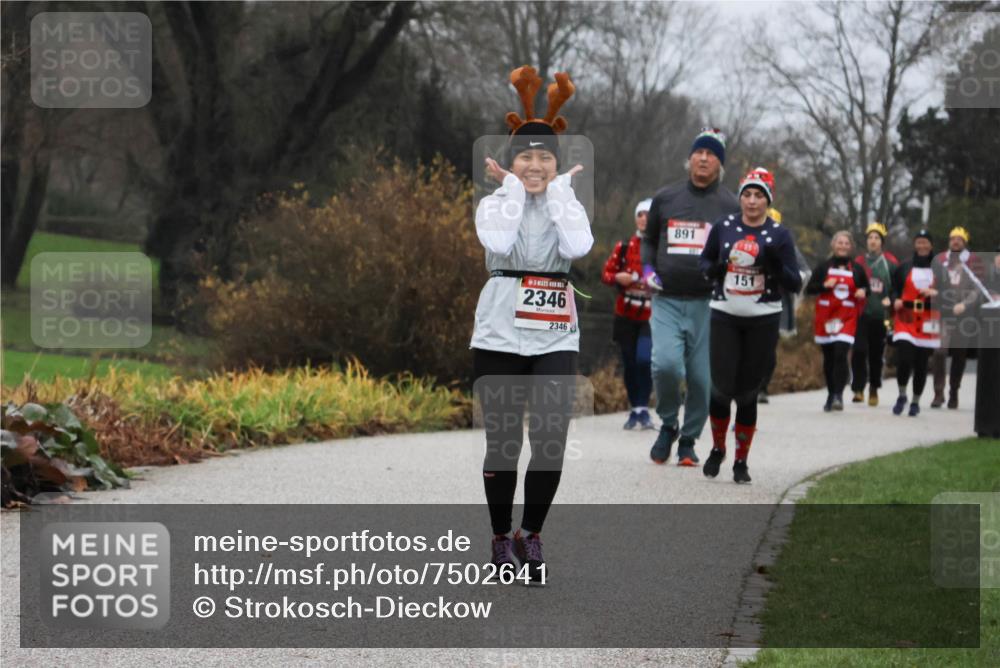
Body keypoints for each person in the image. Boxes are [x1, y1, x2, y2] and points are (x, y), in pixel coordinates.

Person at [472, 66, 593, 583]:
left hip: (554, 333)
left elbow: (578, 247)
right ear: (510, 161)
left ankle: (531, 532)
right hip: (498, 331)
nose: (536, 165)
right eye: (526, 156)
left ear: (557, 165)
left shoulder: (568, 206)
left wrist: (560, 195)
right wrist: (515, 190)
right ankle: (501, 535)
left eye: (546, 158)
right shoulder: (493, 204)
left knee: (549, 438)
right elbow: (499, 243)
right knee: (503, 442)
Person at [641, 128, 740, 466]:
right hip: (667, 298)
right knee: (665, 365)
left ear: (720, 164)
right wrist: (647, 269)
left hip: (708, 304)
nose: (703, 158)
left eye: (711, 154)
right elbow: (649, 240)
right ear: (689, 159)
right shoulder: (666, 197)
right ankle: (668, 424)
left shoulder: (730, 205)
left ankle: (688, 439)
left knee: (701, 378)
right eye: (699, 152)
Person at [699, 168, 802, 483]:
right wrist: (717, 269)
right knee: (720, 388)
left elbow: (795, 283)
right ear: (740, 197)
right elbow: (704, 263)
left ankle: (741, 461)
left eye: (759, 195)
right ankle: (718, 448)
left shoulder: (780, 235)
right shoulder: (724, 227)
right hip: (725, 313)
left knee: (747, 393)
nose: (752, 201)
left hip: (763, 318)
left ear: (768, 200)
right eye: (747, 194)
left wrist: (775, 266)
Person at [601, 198, 656, 430]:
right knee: (630, 362)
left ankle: (644, 407)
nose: (644, 219)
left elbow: (671, 276)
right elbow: (606, 274)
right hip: (625, 313)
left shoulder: (660, 248)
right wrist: (617, 278)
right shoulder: (624, 246)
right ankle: (636, 409)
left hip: (651, 315)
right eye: (640, 215)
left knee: (644, 360)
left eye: (648, 215)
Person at [804, 231, 870, 412]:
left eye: (846, 243)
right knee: (829, 358)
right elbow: (809, 289)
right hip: (826, 317)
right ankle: (831, 393)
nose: (843, 246)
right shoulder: (823, 267)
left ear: (851, 247)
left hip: (847, 317)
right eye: (839, 243)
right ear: (833, 245)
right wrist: (824, 286)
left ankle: (838, 395)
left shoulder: (856, 269)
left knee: (841, 353)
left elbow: (866, 288)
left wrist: (863, 291)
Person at [930, 227, 986, 409]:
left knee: (959, 354)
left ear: (964, 242)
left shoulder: (973, 262)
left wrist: (965, 304)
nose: (955, 242)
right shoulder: (941, 260)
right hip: (943, 314)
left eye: (959, 239)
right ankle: (938, 392)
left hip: (963, 315)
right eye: (952, 239)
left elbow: (978, 289)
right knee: (939, 352)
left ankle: (954, 391)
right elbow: (933, 282)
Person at [889, 229, 941, 417]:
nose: (922, 246)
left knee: (921, 364)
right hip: (906, 317)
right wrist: (895, 299)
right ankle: (902, 394)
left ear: (931, 245)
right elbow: (893, 289)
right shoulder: (904, 267)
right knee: (904, 359)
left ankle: (915, 401)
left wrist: (937, 293)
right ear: (914, 245)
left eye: (925, 242)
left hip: (928, 319)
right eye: (919, 242)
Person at [850, 222, 899, 407]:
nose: (873, 241)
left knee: (876, 354)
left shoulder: (890, 263)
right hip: (861, 313)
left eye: (876, 238)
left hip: (880, 315)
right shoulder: (858, 262)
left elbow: (897, 287)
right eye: (870, 237)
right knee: (859, 351)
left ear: (882, 242)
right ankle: (858, 388)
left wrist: (891, 299)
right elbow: (851, 284)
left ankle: (874, 388)